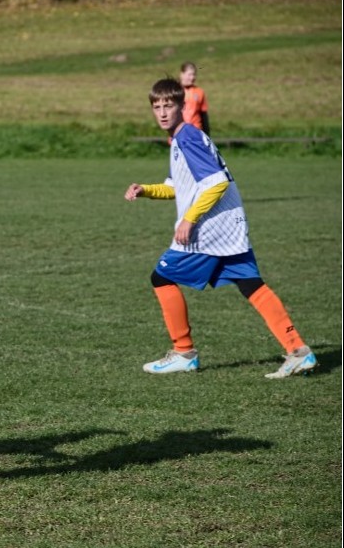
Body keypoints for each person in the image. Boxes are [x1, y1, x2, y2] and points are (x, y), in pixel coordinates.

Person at [124, 77, 316, 379]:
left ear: (182, 106)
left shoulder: (186, 137)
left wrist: (190, 219)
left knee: (161, 277)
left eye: (168, 105)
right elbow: (178, 187)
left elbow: (216, 183)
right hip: (231, 227)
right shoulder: (182, 138)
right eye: (156, 106)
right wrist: (146, 189)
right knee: (252, 285)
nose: (162, 112)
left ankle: (184, 352)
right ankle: (298, 350)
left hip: (211, 229)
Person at [179, 62, 210, 135]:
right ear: (182, 74)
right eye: (189, 74)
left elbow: (204, 116)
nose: (192, 77)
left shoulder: (199, 92)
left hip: (196, 132)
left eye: (194, 74)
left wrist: (207, 134)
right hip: (178, 132)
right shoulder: (174, 91)